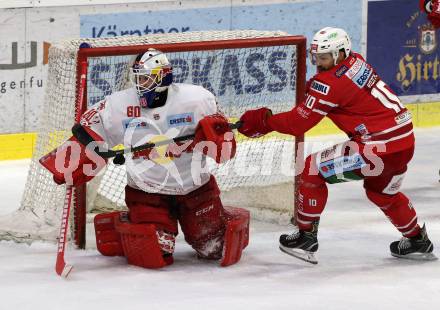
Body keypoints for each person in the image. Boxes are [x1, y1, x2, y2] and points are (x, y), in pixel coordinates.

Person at [238, 27, 436, 264]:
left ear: (341, 53)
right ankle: (417, 240)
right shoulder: (356, 61)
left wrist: (264, 121)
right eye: (317, 57)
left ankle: (305, 237)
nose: (318, 63)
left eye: (324, 57)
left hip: (377, 147)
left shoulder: (330, 84)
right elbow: (324, 93)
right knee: (383, 194)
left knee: (311, 169)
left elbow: (297, 123)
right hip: (403, 143)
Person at [40, 49, 249, 269]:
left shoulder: (197, 99)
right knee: (155, 253)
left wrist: (217, 135)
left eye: (146, 78)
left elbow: (225, 147)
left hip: (196, 188)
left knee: (213, 247)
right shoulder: (119, 105)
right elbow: (90, 125)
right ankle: (125, 225)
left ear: (163, 76)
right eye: (138, 78)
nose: (140, 84)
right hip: (147, 191)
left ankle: (222, 215)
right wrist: (74, 155)